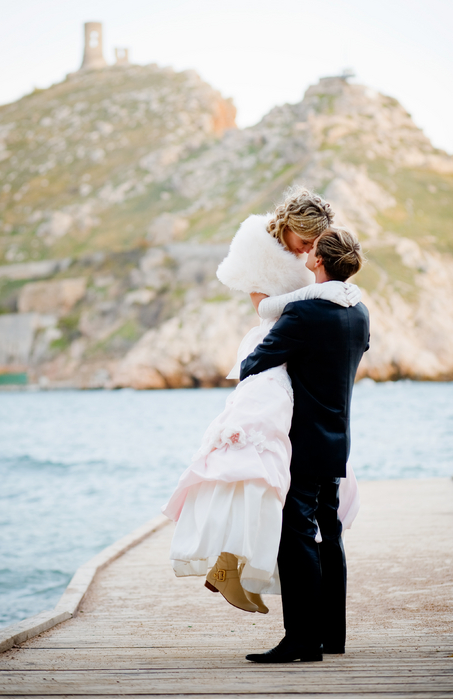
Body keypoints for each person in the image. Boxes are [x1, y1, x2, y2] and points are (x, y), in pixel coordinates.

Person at [162, 187, 362, 615]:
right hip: (271, 352)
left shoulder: (314, 253)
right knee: (255, 456)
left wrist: (325, 296)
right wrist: (317, 294)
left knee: (286, 470)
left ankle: (236, 566)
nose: (309, 251)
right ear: (287, 227)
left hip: (299, 352)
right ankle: (229, 562)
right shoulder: (255, 242)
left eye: (314, 244)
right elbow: (266, 310)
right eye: (303, 242)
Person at [241, 227, 370, 663]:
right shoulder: (360, 312)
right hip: (338, 439)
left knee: (294, 534)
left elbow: (254, 363)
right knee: (329, 534)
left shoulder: (306, 314)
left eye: (311, 250)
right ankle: (332, 636)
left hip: (301, 441)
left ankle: (301, 639)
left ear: (318, 262)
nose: (307, 253)